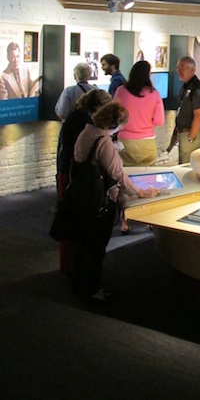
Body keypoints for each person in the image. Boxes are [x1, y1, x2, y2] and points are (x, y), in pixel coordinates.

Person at [71, 101, 158, 302]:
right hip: (100, 201)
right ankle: (91, 289)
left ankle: (78, 283)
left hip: (82, 197)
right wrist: (140, 192)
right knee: (96, 246)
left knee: (83, 244)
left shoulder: (86, 132)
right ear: (113, 123)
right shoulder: (103, 141)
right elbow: (117, 174)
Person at [56, 89, 112, 274]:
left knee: (74, 223)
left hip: (71, 172)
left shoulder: (77, 116)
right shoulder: (83, 123)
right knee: (74, 223)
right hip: (75, 177)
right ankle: (72, 269)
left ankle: (72, 269)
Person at [114, 60, 165, 167]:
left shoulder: (121, 91)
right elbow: (159, 121)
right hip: (147, 142)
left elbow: (114, 115)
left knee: (125, 176)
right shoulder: (154, 94)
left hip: (125, 142)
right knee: (148, 178)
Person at [173, 56, 200, 163]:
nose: (179, 71)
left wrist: (190, 138)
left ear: (192, 70)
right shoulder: (186, 87)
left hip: (190, 134)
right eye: (178, 68)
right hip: (183, 133)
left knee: (186, 167)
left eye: (182, 68)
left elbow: (199, 117)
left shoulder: (197, 89)